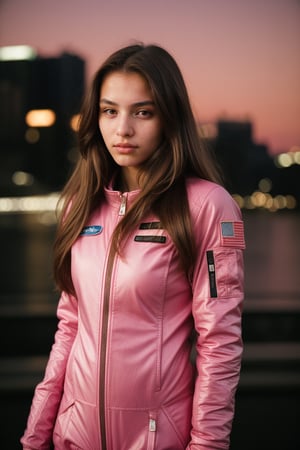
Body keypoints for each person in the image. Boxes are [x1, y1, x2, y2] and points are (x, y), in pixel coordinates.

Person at [21, 43, 245, 450]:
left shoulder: (209, 206)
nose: (122, 129)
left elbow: (220, 343)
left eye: (142, 112)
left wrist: (208, 446)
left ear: (169, 118)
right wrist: (35, 434)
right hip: (72, 437)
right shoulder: (79, 205)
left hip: (158, 439)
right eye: (110, 111)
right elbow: (70, 329)